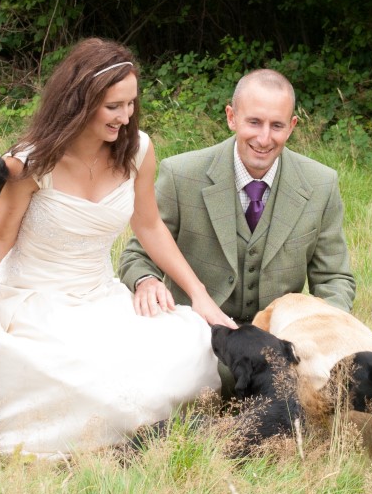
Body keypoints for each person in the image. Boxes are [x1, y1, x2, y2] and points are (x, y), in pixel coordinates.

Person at [0, 38, 231, 457]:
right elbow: (0, 236)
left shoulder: (137, 151)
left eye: (131, 104)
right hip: (33, 299)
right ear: (80, 102)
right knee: (93, 384)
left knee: (194, 351)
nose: (126, 117)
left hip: (100, 296)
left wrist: (200, 296)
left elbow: (149, 226)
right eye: (114, 106)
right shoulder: (30, 162)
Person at [118, 69, 355, 327]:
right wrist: (147, 281)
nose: (264, 138)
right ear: (232, 117)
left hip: (277, 341)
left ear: (292, 126)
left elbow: (334, 279)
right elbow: (138, 255)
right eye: (254, 122)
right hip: (196, 332)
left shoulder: (321, 183)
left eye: (277, 125)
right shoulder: (181, 176)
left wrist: (320, 329)